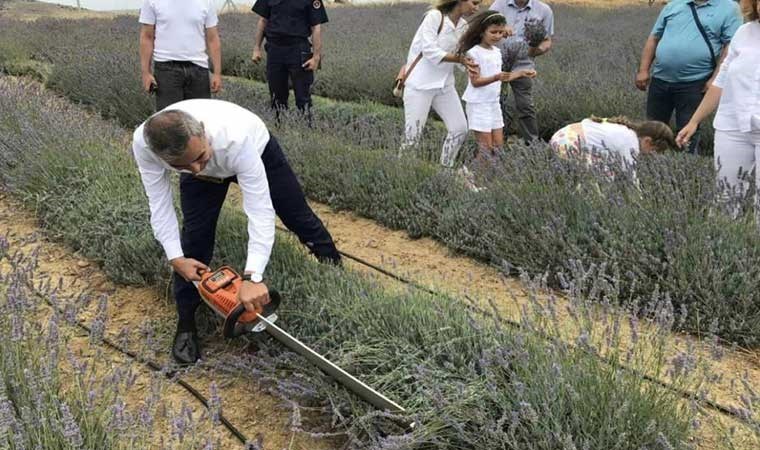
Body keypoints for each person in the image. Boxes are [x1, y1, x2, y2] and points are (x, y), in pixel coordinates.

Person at [132, 99, 341, 365]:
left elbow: (260, 209)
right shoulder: (145, 145)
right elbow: (159, 205)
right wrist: (175, 257)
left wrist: (253, 276)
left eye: (198, 158)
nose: (196, 170)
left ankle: (334, 271)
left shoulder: (236, 139)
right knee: (195, 240)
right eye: (184, 167)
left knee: (297, 216)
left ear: (203, 132)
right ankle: (186, 323)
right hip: (206, 158)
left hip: (257, 150)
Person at [676, 0, 760, 215]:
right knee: (725, 198)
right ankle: (722, 244)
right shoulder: (744, 32)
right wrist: (694, 121)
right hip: (732, 125)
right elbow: (720, 81)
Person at [635, 0, 742, 155]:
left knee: (687, 132)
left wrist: (715, 79)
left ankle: (684, 164)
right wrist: (643, 70)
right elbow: (654, 38)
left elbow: (730, 47)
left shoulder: (729, 8)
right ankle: (650, 166)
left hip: (694, 83)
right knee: (651, 131)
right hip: (660, 79)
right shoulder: (674, 5)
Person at [401, 0, 483, 169]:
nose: (477, 8)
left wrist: (471, 65)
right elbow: (429, 50)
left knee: (459, 128)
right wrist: (459, 59)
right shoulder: (434, 17)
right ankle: (400, 173)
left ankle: (445, 169)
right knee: (412, 137)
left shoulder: (463, 26)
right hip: (419, 85)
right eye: (475, 3)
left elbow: (461, 57)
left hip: (444, 86)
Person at [458, 11, 536, 162]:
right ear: (482, 32)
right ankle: (469, 178)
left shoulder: (497, 52)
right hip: (479, 103)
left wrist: (521, 73)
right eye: (493, 32)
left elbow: (502, 78)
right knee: (485, 149)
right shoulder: (473, 52)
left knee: (498, 147)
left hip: (493, 103)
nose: (497, 36)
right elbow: (476, 82)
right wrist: (495, 77)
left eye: (500, 32)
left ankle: (485, 180)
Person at [251, 0, 327, 122]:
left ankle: (305, 131)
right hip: (275, 49)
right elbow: (263, 20)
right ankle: (280, 129)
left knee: (303, 97)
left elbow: (316, 27)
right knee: (276, 96)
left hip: (298, 49)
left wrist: (316, 57)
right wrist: (256, 48)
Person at [139, 0, 223, 111]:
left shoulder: (206, 2)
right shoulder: (152, 2)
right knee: (169, 121)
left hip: (198, 69)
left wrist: (217, 73)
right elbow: (146, 36)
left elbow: (213, 38)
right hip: (166, 70)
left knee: (198, 120)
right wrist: (146, 72)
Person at [489, 0, 554, 143]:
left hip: (523, 64)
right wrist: (501, 27)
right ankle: (496, 142)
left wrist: (537, 50)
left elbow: (547, 40)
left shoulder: (544, 10)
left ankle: (532, 144)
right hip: (496, 60)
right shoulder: (499, 5)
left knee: (525, 105)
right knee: (494, 101)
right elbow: (485, 27)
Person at [550, 116, 676, 179]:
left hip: (563, 135)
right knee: (602, 178)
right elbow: (629, 176)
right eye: (654, 151)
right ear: (648, 141)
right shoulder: (630, 143)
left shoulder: (626, 130)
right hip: (568, 144)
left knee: (606, 167)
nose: (652, 155)